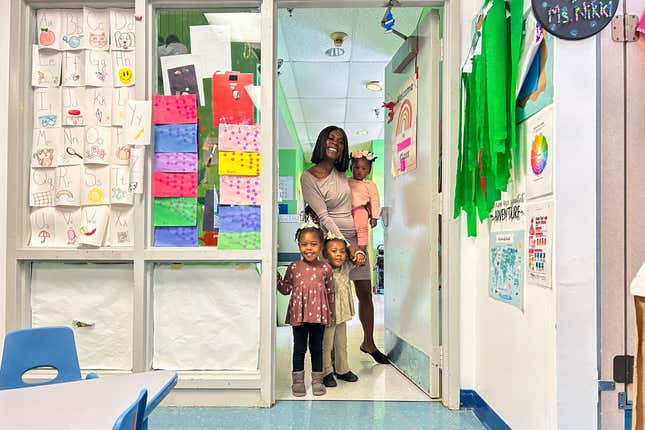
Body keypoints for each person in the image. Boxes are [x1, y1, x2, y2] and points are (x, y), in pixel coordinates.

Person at [301, 125, 389, 364]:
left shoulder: (343, 174)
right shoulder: (308, 177)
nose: (335, 143)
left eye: (340, 141)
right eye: (331, 138)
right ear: (322, 141)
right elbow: (324, 215)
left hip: (357, 241)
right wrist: (343, 244)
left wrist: (371, 210)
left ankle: (368, 343)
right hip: (332, 243)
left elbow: (360, 195)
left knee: (364, 292)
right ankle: (329, 358)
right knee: (332, 298)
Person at [277, 224, 334, 397]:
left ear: (321, 245)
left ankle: (317, 381)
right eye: (304, 244)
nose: (309, 248)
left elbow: (330, 293)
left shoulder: (326, 269)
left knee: (317, 349)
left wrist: (330, 315)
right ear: (299, 246)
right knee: (299, 348)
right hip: (298, 316)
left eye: (313, 244)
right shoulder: (294, 267)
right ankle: (298, 381)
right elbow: (286, 289)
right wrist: (276, 279)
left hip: (319, 316)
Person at [321, 233, 359, 387]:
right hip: (328, 316)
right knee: (326, 344)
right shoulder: (322, 269)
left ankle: (342, 369)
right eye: (334, 251)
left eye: (342, 251)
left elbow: (357, 259)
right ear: (325, 254)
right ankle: (326, 372)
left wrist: (356, 252)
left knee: (341, 342)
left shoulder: (345, 268)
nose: (339, 255)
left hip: (342, 314)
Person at [348, 150, 380, 250]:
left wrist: (374, 217)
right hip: (346, 210)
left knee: (362, 229)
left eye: (363, 168)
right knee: (348, 231)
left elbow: (375, 200)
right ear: (351, 168)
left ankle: (362, 250)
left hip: (360, 209)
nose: (359, 171)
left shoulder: (370, 184)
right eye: (356, 167)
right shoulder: (346, 180)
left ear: (368, 171)